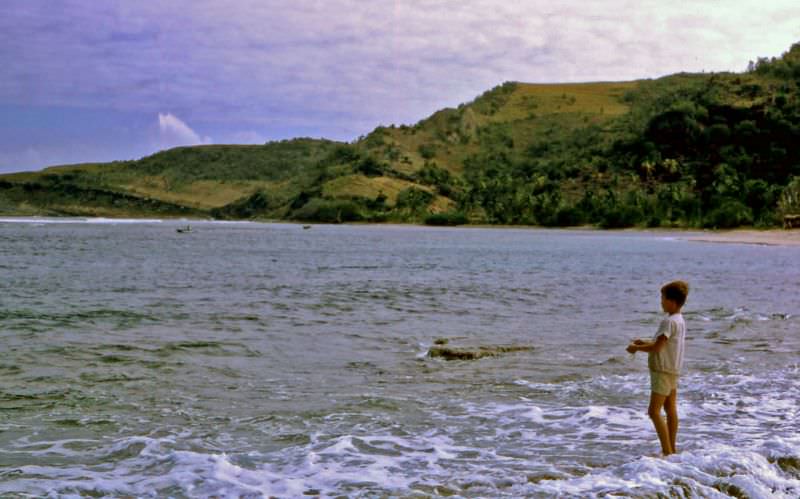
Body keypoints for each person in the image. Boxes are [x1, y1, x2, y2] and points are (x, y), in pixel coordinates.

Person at [626, 280, 689, 456]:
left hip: (662, 371)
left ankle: (667, 451)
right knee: (670, 410)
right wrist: (644, 342)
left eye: (662, 298)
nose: (661, 301)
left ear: (672, 301)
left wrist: (636, 348)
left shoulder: (668, 321)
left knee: (653, 412)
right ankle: (672, 449)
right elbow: (663, 344)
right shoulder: (680, 320)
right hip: (673, 369)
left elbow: (658, 348)